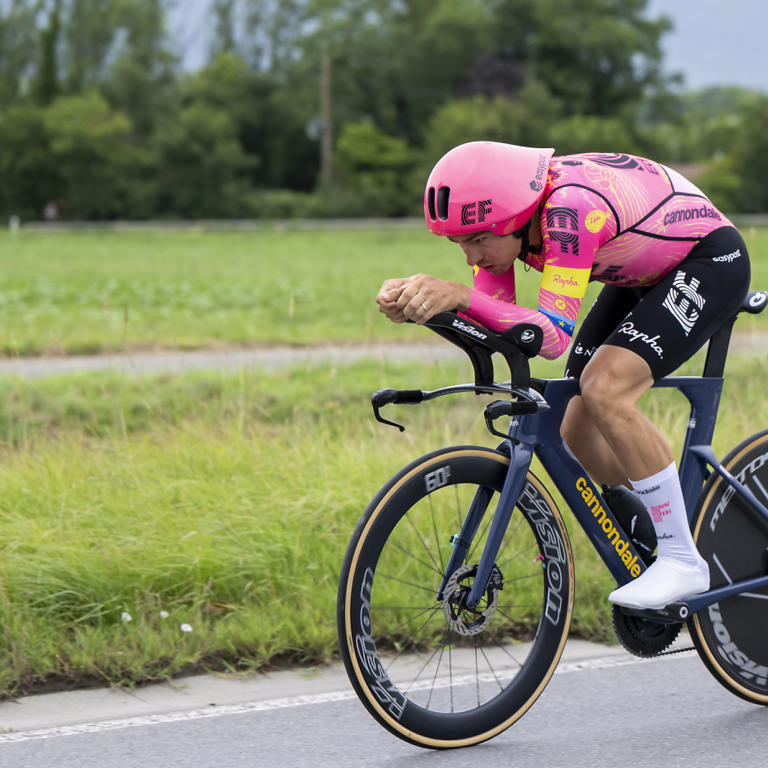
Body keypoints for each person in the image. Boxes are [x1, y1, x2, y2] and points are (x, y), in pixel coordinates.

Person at [376, 141, 751, 610]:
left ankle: (682, 559)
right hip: (641, 275)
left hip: (707, 261)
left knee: (607, 390)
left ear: (514, 216)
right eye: (459, 244)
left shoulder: (569, 210)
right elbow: (504, 320)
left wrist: (458, 295)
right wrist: (421, 306)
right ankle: (670, 524)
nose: (472, 259)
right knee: (575, 420)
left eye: (477, 239)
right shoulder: (508, 228)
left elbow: (550, 339)